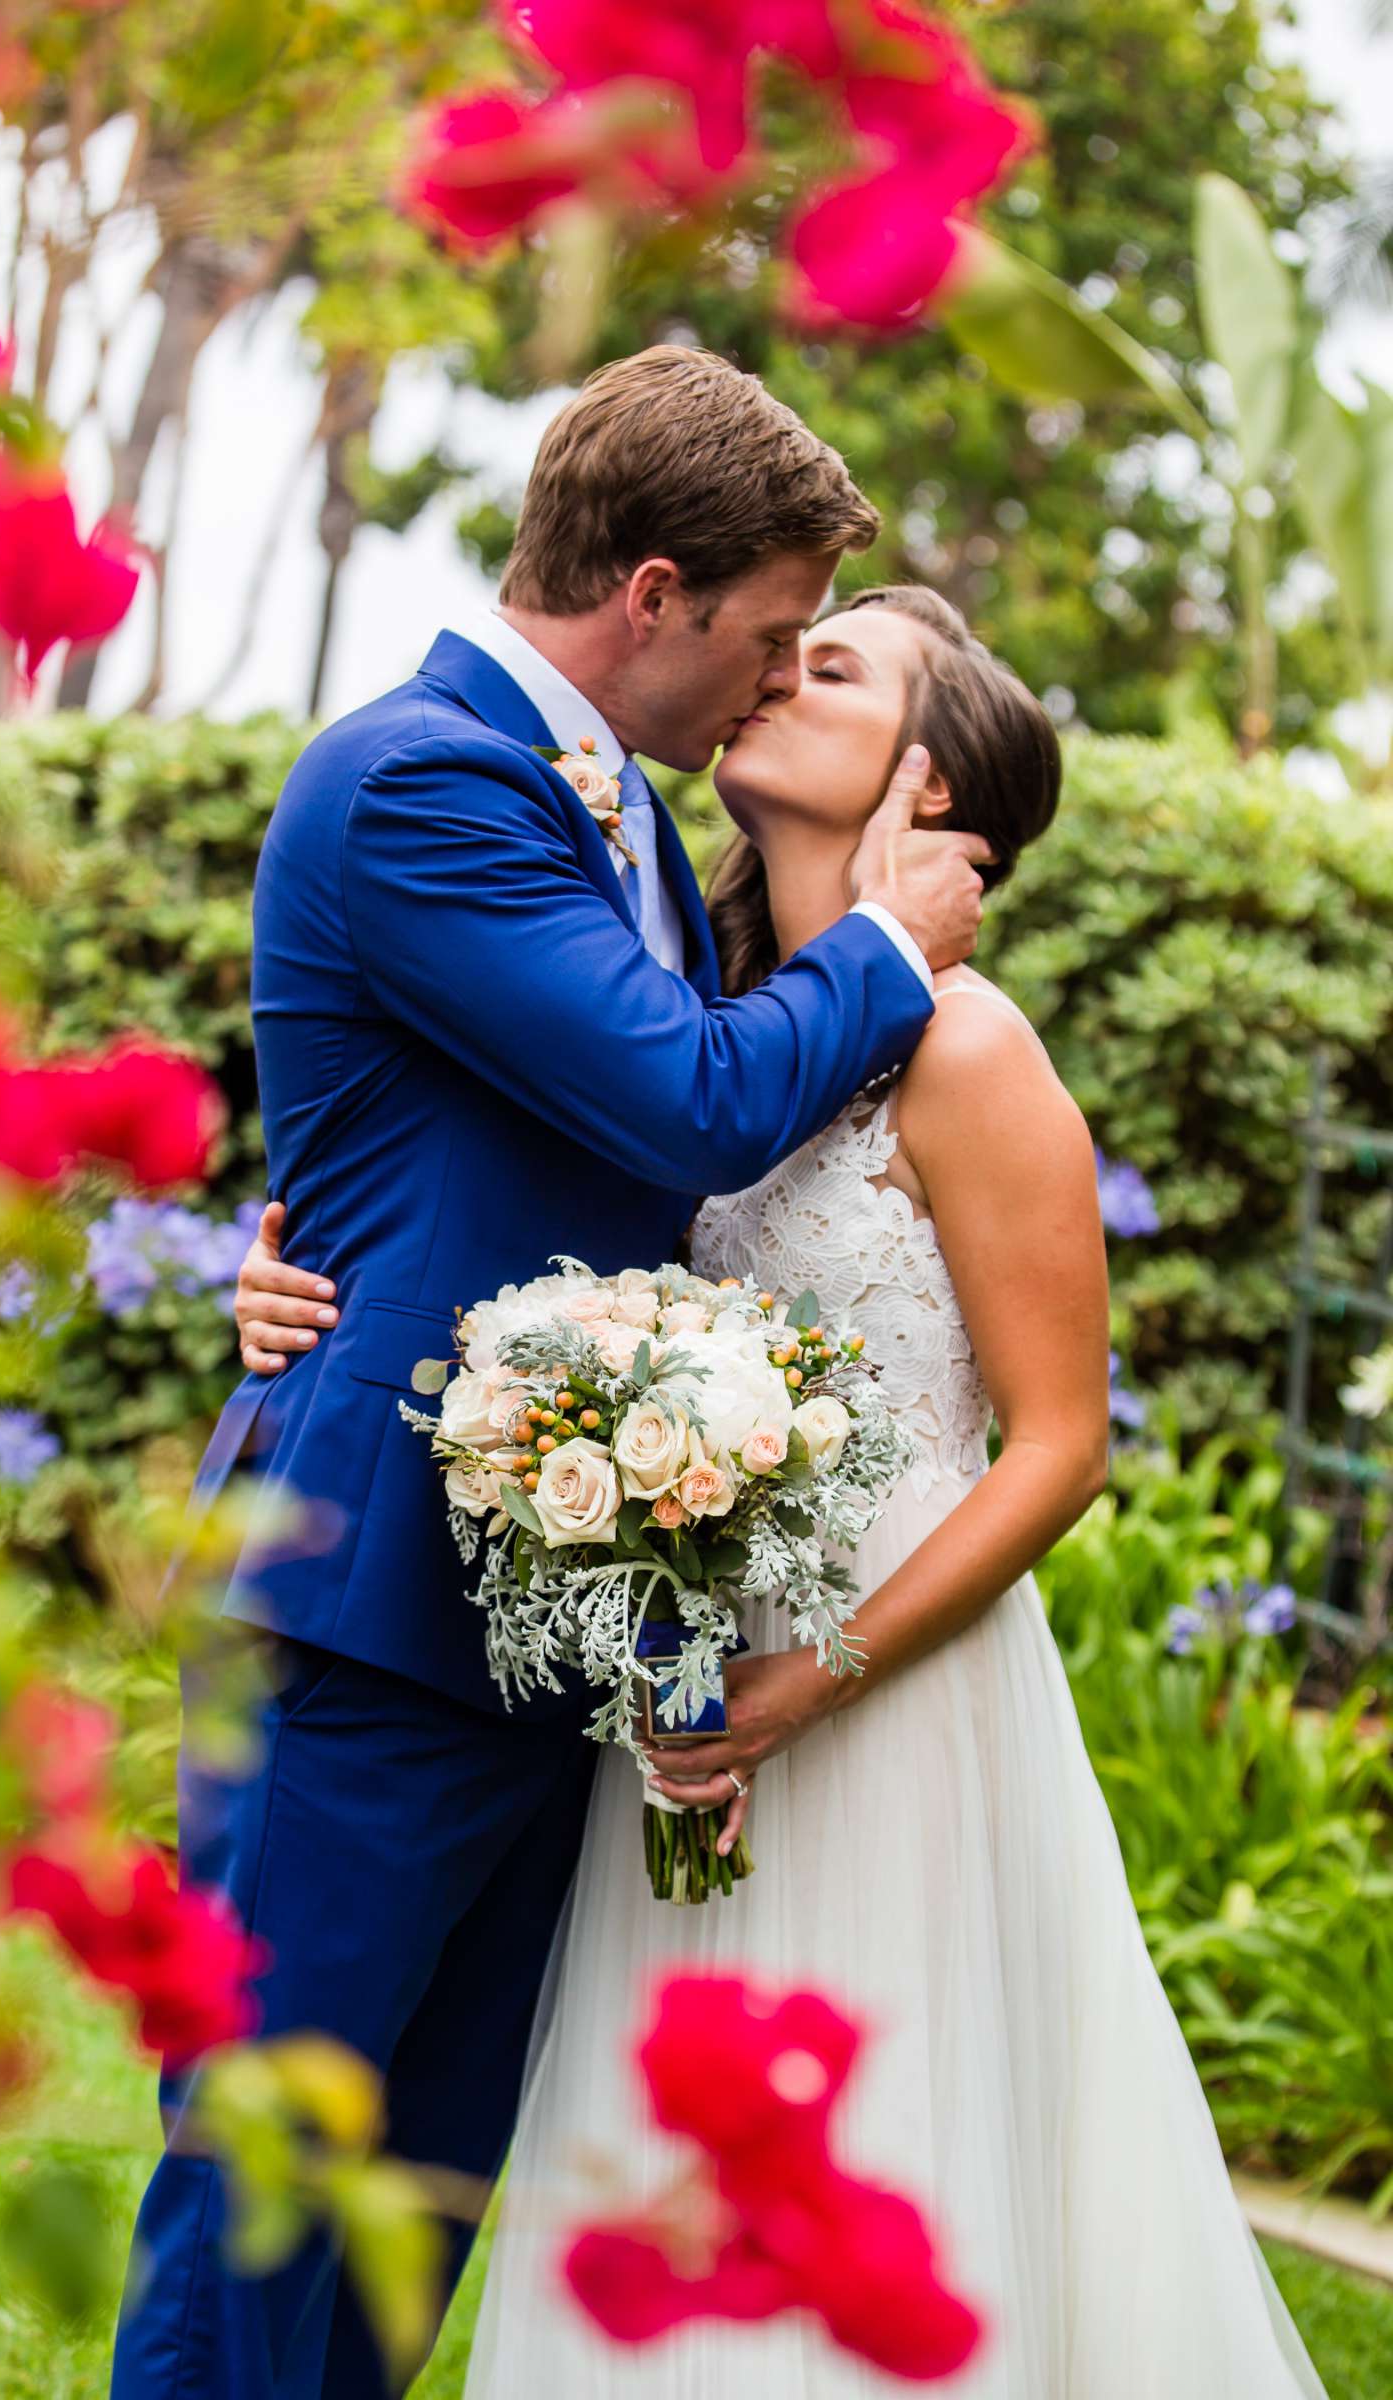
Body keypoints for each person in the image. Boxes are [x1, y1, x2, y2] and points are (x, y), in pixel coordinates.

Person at [239, 588, 1327, 2398]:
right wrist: (284, 1274)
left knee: (886, 2154)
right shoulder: (716, 1026)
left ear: (925, 783)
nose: (770, 674)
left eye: (826, 667)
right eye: (779, 643)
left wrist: (801, 1688)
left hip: (882, 1700)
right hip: (678, 1691)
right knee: (662, 2166)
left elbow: (1060, 1446)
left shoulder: (972, 1054)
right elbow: (505, 1189)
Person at [110, 348, 986, 2400]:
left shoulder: (620, 827)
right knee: (263, 2194)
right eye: (768, 639)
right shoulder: (426, 775)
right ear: (656, 592)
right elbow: (687, 1101)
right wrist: (883, 945)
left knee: (409, 2203)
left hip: (537, 1615)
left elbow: (499, 1146)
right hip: (361, 1610)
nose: (770, 687)